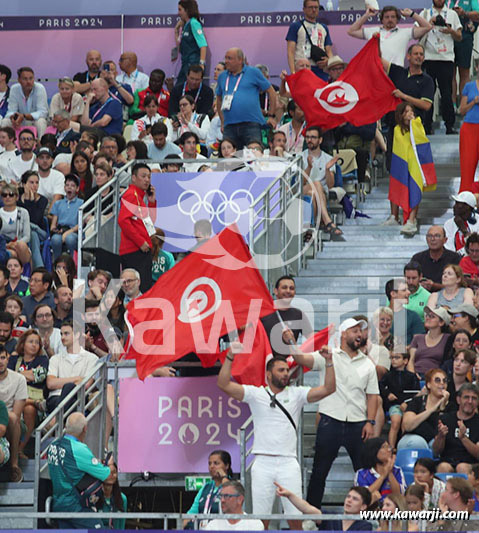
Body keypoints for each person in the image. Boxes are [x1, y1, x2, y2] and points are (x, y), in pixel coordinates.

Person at [217, 342, 335, 529]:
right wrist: (230, 356)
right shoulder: (256, 394)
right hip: (263, 462)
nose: (286, 374)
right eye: (280, 370)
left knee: (295, 517)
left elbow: (328, 389)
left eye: (287, 370)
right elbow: (223, 384)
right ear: (268, 374)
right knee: (260, 520)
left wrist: (329, 362)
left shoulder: (296, 394)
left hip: (288, 462)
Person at [289, 318, 379, 508]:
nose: (359, 335)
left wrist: (370, 421)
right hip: (331, 421)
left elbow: (372, 396)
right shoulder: (328, 356)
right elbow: (300, 359)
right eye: (354, 331)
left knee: (363, 472)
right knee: (319, 472)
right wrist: (291, 342)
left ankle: (368, 513)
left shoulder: (368, 364)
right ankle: (312, 516)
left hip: (358, 423)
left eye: (361, 331)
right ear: (344, 333)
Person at [47, 412, 115, 529]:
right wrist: (110, 464)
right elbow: (109, 478)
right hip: (76, 507)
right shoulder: (79, 449)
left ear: (66, 427)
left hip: (58, 506)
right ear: (85, 429)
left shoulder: (53, 446)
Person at [386, 102, 436, 235]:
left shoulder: (418, 125)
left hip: (416, 165)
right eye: (406, 112)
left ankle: (411, 220)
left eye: (411, 111)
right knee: (398, 188)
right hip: (402, 165)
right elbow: (400, 148)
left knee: (415, 190)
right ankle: (395, 216)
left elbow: (421, 140)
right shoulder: (397, 129)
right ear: (401, 115)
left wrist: (415, 124)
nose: (410, 114)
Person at [216, 48, 277, 149]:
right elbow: (218, 99)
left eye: (229, 58)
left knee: (253, 155)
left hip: (251, 124)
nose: (226, 61)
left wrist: (271, 115)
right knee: (231, 159)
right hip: (229, 126)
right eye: (225, 58)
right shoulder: (222, 76)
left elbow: (271, 92)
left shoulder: (253, 72)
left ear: (240, 60)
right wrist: (223, 121)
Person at [419, 0, 463, 135]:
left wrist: (450, 31)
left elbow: (459, 37)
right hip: (428, 58)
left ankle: (449, 126)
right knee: (427, 95)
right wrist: (429, 23)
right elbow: (417, 33)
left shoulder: (452, 14)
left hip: (446, 59)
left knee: (446, 93)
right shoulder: (425, 13)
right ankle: (426, 126)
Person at [8, 329, 48, 457]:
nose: (34, 345)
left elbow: (39, 376)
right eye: (31, 341)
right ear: (23, 344)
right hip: (14, 398)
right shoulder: (14, 358)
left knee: (29, 409)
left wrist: (18, 375)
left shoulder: (43, 359)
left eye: (37, 342)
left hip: (36, 402)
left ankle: (19, 449)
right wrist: (29, 374)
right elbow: (7, 376)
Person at [348, 5, 431, 66]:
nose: (390, 19)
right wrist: (366, 16)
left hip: (396, 74)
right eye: (387, 17)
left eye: (393, 17)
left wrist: (412, 14)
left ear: (397, 19)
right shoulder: (373, 31)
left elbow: (427, 27)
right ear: (382, 19)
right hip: (376, 72)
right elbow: (351, 31)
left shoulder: (405, 32)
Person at [118, 163, 157, 293]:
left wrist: (151, 202)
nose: (147, 180)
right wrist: (140, 242)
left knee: (143, 288)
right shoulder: (131, 194)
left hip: (140, 250)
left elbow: (150, 224)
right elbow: (123, 220)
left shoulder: (139, 197)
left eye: (149, 177)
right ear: (133, 178)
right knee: (138, 290)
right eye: (143, 176)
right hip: (134, 250)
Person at [46, 321, 98, 413]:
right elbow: (50, 383)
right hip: (56, 398)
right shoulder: (55, 358)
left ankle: (55, 421)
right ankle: (58, 420)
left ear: (77, 334)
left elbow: (86, 385)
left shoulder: (92, 358)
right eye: (61, 334)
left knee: (73, 398)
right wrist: (77, 379)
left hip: (80, 398)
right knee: (70, 396)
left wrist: (61, 382)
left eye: (66, 334)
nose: (62, 337)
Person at [276, 484, 373, 531]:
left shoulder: (365, 526)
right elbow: (307, 508)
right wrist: (289, 495)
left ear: (363, 506)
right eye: (348, 496)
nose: (349, 500)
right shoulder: (330, 517)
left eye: (355, 499)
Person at [301, 125, 342, 238]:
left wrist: (328, 170)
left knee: (313, 193)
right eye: (307, 137)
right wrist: (309, 168)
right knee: (316, 185)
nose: (310, 140)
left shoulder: (328, 158)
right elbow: (300, 183)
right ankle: (327, 221)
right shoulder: (300, 157)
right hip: (302, 191)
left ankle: (310, 230)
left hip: (321, 194)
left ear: (320, 140)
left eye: (313, 137)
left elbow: (330, 185)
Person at [260, 275, 313, 357]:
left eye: (291, 288)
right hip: (266, 365)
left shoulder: (298, 315)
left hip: (289, 367)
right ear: (276, 291)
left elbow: (312, 340)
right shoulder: (263, 312)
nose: (288, 291)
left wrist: (325, 335)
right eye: (284, 287)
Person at [433, 383, 479, 473]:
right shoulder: (445, 419)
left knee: (462, 468)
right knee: (443, 467)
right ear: (458, 400)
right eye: (466, 397)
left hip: (471, 464)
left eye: (474, 398)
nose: (470, 401)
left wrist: (463, 438)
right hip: (447, 461)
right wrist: (441, 436)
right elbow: (436, 451)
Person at [399, 368, 449, 449]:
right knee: (417, 442)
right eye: (437, 380)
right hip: (412, 439)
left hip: (434, 443)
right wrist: (433, 408)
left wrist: (442, 406)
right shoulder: (417, 401)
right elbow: (408, 426)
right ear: (428, 384)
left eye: (445, 381)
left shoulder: (450, 406)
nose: (442, 383)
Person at [380, 351, 420, 447]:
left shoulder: (412, 376)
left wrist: (406, 403)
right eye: (392, 358)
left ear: (405, 360)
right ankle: (391, 447)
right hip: (394, 405)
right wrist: (388, 394)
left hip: (409, 406)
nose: (393, 360)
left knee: (406, 424)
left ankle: (402, 446)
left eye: (397, 357)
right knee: (396, 421)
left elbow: (416, 393)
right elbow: (380, 386)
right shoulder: (388, 376)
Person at [185, 450, 233, 528]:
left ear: (227, 466)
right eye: (209, 463)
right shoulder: (206, 487)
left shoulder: (234, 485)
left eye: (216, 463)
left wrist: (224, 476)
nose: (212, 466)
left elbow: (229, 494)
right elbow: (191, 514)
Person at [286, 0, 332, 81]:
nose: (313, 10)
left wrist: (329, 61)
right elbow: (290, 51)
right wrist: (293, 72)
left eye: (316, 7)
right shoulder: (296, 26)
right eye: (310, 7)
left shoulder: (323, 27)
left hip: (321, 69)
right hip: (303, 68)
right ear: (304, 9)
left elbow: (329, 50)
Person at [0, 346, 27, 482]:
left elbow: (16, 413)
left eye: (2, 358)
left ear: (8, 358)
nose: (0, 362)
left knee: (11, 417)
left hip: (14, 423)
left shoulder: (19, 379)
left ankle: (14, 465)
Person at [1, 67, 48, 138]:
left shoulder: (40, 88)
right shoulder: (14, 89)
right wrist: (14, 118)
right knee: (5, 121)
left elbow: (43, 112)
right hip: (20, 121)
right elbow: (11, 111)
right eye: (25, 79)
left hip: (34, 120)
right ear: (19, 80)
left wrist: (24, 116)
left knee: (41, 121)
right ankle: (5, 147)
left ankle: (42, 147)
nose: (28, 81)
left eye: (31, 78)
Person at [411, 225, 461, 290]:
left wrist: (434, 286)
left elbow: (459, 285)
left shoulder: (455, 258)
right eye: (430, 236)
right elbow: (409, 281)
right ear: (426, 239)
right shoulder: (417, 258)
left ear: (445, 240)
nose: (433, 239)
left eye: (437, 236)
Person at [18, 170, 48, 268]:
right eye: (31, 182)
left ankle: (38, 267)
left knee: (33, 231)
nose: (35, 185)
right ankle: (39, 267)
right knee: (32, 234)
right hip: (22, 232)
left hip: (40, 231)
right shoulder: (17, 199)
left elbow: (35, 219)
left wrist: (30, 201)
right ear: (23, 184)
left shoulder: (43, 200)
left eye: (37, 182)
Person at [408, 306, 451, 375]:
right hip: (416, 374)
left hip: (435, 376)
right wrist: (412, 375)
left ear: (441, 322)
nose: (427, 318)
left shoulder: (447, 338)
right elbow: (411, 361)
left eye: (432, 316)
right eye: (427, 315)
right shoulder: (418, 338)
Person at [175, 1, 208, 86]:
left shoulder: (194, 23)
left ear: (187, 10)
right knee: (179, 89)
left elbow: (203, 45)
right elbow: (179, 48)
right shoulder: (186, 25)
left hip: (193, 64)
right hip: (185, 63)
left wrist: (201, 64)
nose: (178, 13)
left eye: (180, 9)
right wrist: (176, 30)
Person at [50, 174, 83, 259]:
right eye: (67, 185)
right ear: (64, 187)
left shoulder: (81, 203)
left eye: (72, 186)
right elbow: (53, 224)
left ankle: (73, 263)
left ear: (77, 189)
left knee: (70, 239)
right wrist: (55, 230)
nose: (69, 187)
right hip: (61, 230)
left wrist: (68, 232)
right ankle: (57, 263)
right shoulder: (58, 203)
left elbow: (81, 223)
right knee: (55, 239)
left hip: (74, 231)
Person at [385, 278, 424, 348]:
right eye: (404, 290)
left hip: (406, 356)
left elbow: (419, 342)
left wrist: (402, 351)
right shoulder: (379, 317)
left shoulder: (413, 316)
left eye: (408, 289)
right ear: (393, 294)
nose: (409, 292)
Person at [0, 183, 32, 265]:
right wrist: (7, 245)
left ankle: (22, 272)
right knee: (12, 254)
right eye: (4, 195)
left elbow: (27, 236)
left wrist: (15, 243)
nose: (7, 197)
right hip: (2, 245)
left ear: (17, 197)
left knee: (21, 245)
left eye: (11, 195)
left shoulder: (24, 212)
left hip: (19, 244)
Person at [459, 74, 479, 192]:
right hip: (469, 129)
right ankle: (464, 204)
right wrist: (474, 102)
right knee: (467, 167)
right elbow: (462, 110)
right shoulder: (469, 86)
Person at [100, 462, 128, 529]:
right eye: (108, 472)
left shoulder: (122, 498)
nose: (111, 475)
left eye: (114, 472)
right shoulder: (94, 498)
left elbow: (122, 526)